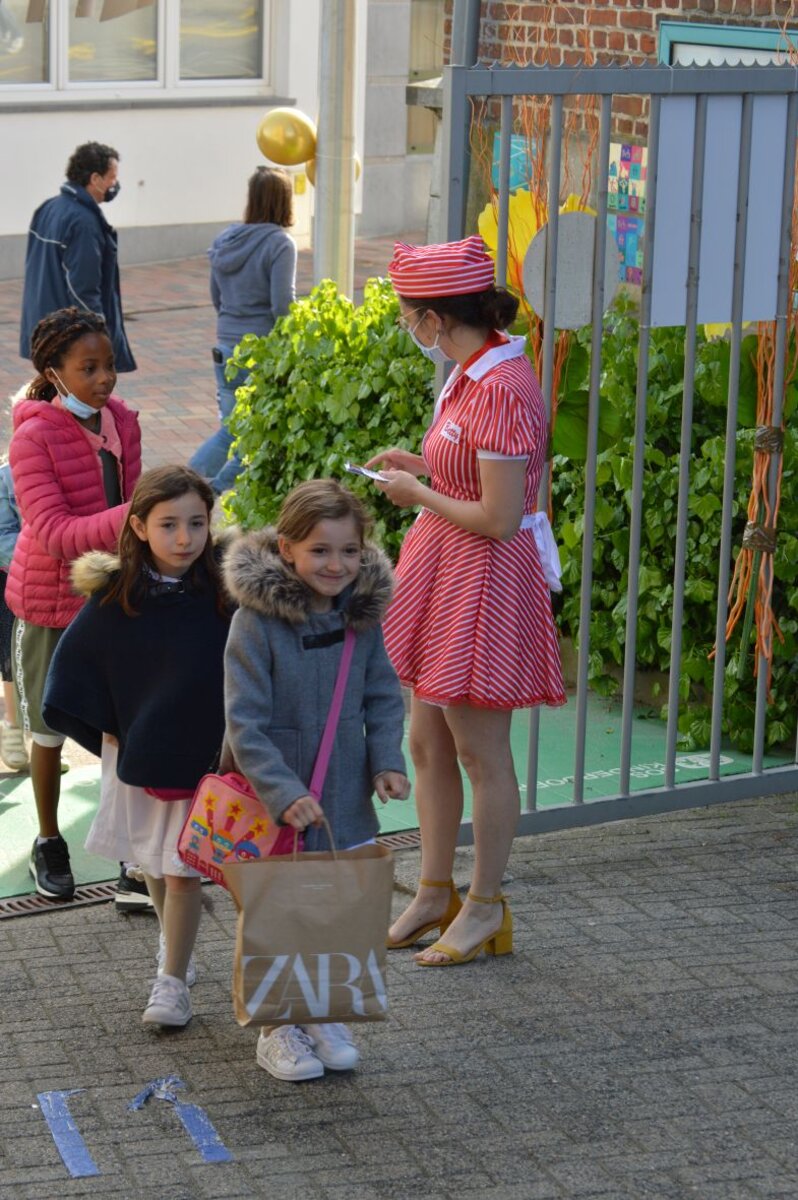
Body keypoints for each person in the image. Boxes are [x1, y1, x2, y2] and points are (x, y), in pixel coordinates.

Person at [367, 235, 566, 967]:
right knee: (427, 743)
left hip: (482, 580)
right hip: (448, 570)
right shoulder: (473, 369)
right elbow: (475, 470)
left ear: (436, 317)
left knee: (481, 753)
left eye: (408, 313)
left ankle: (484, 905)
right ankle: (434, 892)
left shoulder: (503, 385)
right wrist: (420, 464)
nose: (407, 325)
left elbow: (500, 517)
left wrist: (417, 493)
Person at [222, 479, 409, 1081]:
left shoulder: (362, 617)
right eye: (320, 550)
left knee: (336, 909)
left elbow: (382, 695)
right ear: (287, 549)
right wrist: (284, 793)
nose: (336, 565)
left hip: (345, 797)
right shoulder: (255, 623)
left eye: (349, 551)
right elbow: (244, 724)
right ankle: (277, 1027)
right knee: (280, 914)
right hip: (276, 804)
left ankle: (323, 1012)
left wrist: (386, 760)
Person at [42, 466, 232, 1028]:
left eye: (196, 523)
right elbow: (73, 671)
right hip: (138, 756)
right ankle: (176, 948)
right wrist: (111, 727)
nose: (184, 538)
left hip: (204, 761)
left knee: (181, 870)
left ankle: (171, 983)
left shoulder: (227, 591)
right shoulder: (117, 595)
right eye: (168, 524)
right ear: (140, 527)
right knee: (151, 860)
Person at [6, 307, 142, 902]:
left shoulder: (122, 422)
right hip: (48, 602)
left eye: (109, 364)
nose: (105, 377)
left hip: (112, 596)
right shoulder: (33, 436)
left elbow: (131, 502)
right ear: (53, 373)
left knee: (122, 727)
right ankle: (48, 839)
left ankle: (132, 858)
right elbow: (55, 534)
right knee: (47, 731)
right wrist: (136, 516)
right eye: (89, 368)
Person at [188, 166, 297, 495]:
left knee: (230, 431)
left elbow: (216, 297)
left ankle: (185, 484)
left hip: (225, 348)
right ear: (284, 201)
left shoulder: (225, 240)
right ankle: (206, 491)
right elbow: (282, 306)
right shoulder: (280, 244)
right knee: (255, 437)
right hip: (261, 352)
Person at [20, 142, 136, 374]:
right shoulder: (83, 222)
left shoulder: (48, 208)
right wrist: (99, 336)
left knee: (51, 392)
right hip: (68, 340)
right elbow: (83, 288)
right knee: (75, 395)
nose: (115, 184)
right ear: (95, 179)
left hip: (43, 329)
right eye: (112, 178)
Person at [0, 460, 28, 772]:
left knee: (43, 661)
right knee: (12, 657)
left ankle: (46, 737)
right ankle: (13, 724)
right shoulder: (7, 476)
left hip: (55, 584)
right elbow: (2, 538)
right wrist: (39, 555)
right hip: (12, 579)